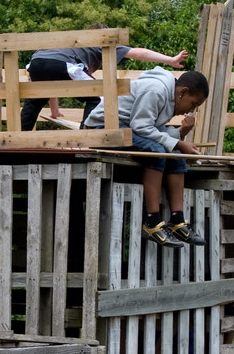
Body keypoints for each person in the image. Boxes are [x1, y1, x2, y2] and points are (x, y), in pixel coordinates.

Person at [83, 68, 209, 248]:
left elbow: (153, 130)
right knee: (157, 151)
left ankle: (177, 221)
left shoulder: (169, 96)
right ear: (183, 92)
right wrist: (179, 143)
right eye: (193, 104)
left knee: (175, 155)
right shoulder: (156, 91)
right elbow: (141, 127)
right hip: (103, 128)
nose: (191, 111)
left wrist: (180, 135)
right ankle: (152, 222)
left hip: (128, 128)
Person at [20, 35, 189, 132]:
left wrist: (54, 110)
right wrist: (170, 60)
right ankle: (85, 138)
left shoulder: (71, 44)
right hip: (61, 64)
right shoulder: (100, 43)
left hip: (36, 62)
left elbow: (52, 80)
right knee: (100, 97)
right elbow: (138, 52)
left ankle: (19, 138)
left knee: (35, 100)